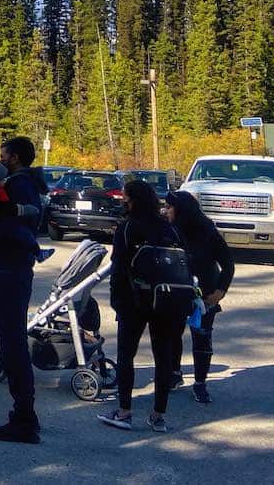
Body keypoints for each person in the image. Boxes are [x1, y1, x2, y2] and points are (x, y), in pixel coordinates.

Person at [98, 179, 190, 434]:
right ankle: (158, 415)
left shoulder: (128, 228)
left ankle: (124, 411)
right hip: (167, 300)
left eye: (125, 196)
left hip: (133, 300)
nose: (122, 200)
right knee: (163, 358)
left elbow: (118, 267)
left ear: (133, 199)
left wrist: (116, 300)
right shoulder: (168, 228)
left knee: (127, 355)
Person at [0, 137, 44, 444]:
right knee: (11, 343)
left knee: (12, 345)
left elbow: (7, 229)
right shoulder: (22, 184)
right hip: (10, 270)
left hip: (9, 273)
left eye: (2, 156)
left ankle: (25, 419)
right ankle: (24, 415)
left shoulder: (17, 187)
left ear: (14, 158)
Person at [164, 190, 234, 403]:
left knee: (202, 337)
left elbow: (228, 264)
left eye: (169, 207)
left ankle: (200, 383)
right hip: (175, 292)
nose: (165, 211)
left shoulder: (207, 231)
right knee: (172, 335)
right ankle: (174, 374)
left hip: (205, 294)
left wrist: (220, 291)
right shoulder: (169, 231)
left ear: (181, 210)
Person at [0, 160, 54, 264]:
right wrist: (27, 209)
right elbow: (9, 209)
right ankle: (38, 253)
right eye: (2, 179)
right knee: (23, 233)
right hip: (1, 226)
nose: (4, 181)